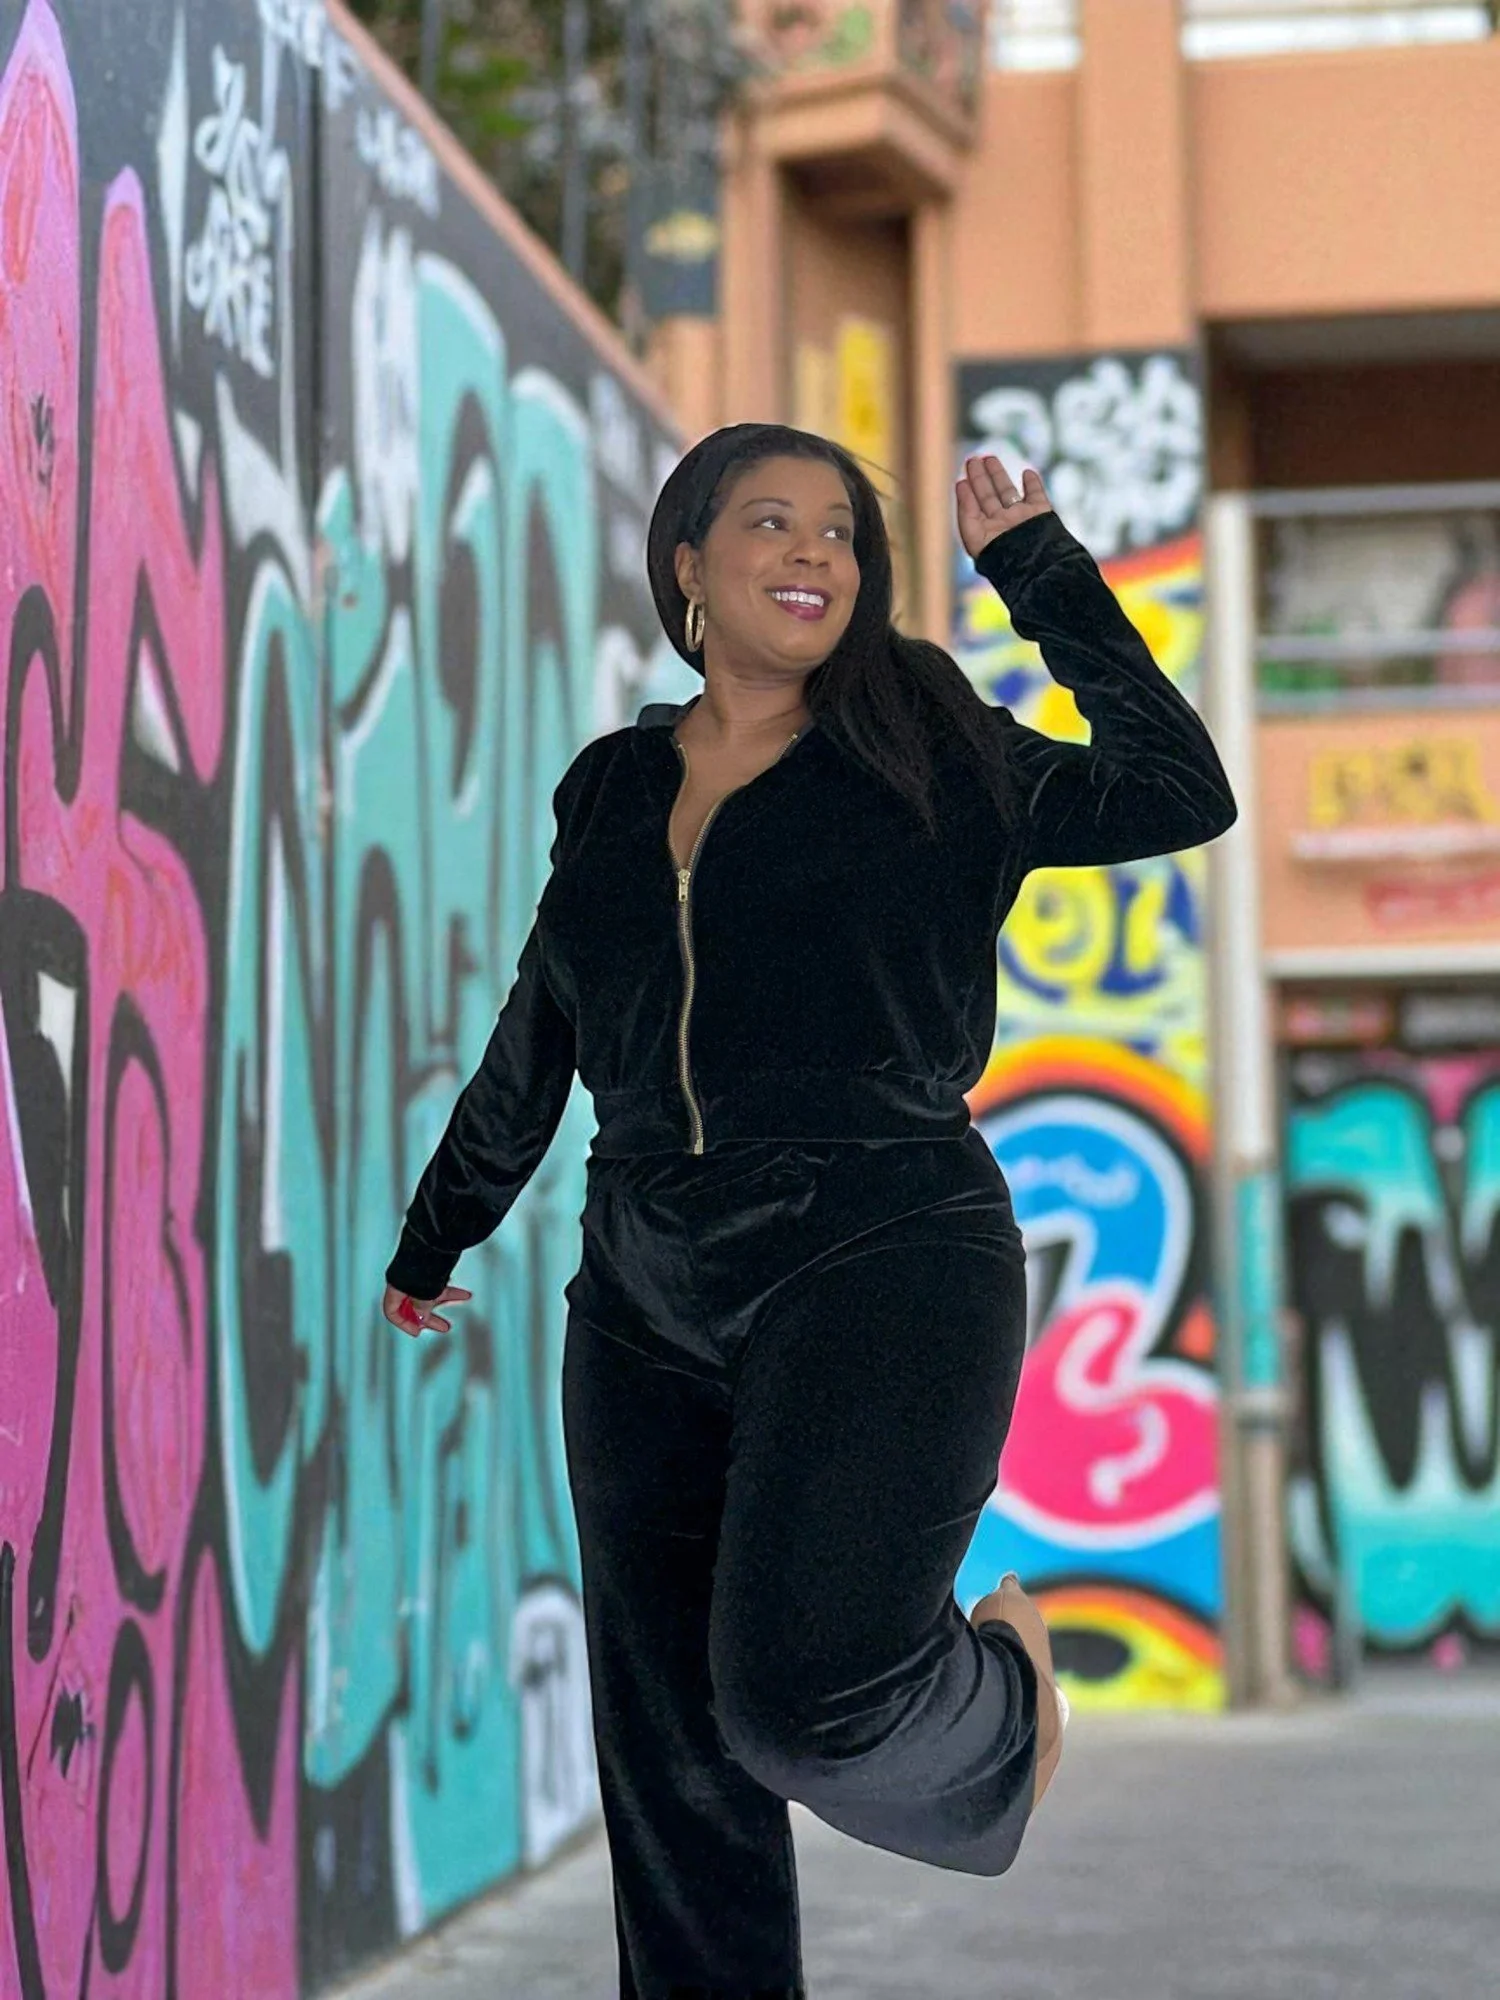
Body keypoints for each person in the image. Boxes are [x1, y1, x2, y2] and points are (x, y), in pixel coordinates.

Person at [381, 423, 1237, 1999]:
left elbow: (1179, 788)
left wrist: (1036, 571)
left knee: (796, 1696)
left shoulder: (934, 749)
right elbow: (544, 1027)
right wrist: (437, 1236)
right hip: (640, 1285)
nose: (813, 554)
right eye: (769, 522)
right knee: (675, 1760)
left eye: (841, 532)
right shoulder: (614, 786)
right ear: (688, 564)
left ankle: (1003, 1709)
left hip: (884, 1247)